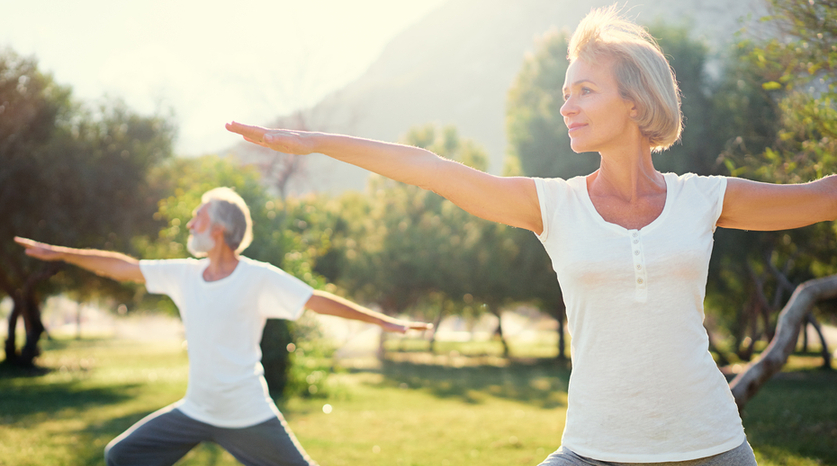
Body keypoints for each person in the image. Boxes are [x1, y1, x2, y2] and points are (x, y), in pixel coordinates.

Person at [225, 5, 836, 465]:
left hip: (711, 445)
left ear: (635, 101)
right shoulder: (554, 206)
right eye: (564, 93)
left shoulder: (703, 199)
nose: (567, 106)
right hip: (594, 448)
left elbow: (819, 198)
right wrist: (314, 140)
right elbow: (433, 170)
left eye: (585, 91)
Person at [15, 187, 430, 466]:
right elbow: (123, 268)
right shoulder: (184, 274)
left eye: (198, 217)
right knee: (121, 456)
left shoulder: (258, 277)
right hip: (195, 410)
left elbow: (316, 301)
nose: (190, 223)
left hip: (247, 413)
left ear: (219, 230)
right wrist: (60, 254)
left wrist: (383, 321)